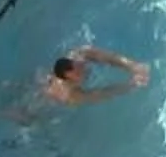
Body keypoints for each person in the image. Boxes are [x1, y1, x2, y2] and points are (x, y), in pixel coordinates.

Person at [15, 44, 150, 115]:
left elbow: (109, 57)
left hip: (44, 80)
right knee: (27, 115)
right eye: (78, 69)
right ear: (69, 76)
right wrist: (131, 85)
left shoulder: (79, 55)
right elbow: (102, 94)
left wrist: (133, 66)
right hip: (43, 104)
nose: (83, 67)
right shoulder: (70, 95)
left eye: (79, 64)